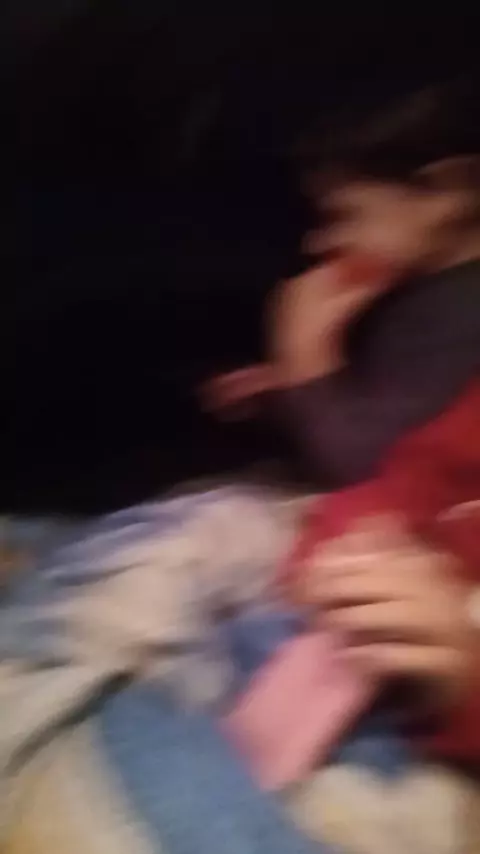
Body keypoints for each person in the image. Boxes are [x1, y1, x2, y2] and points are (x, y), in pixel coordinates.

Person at [202, 81, 480, 487]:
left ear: (448, 190)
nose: (316, 243)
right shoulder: (430, 295)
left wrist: (307, 359)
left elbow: (375, 473)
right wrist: (297, 392)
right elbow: (407, 411)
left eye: (342, 215)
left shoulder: (465, 312)